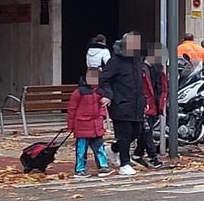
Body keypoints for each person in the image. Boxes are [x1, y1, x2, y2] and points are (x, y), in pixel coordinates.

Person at [103, 32, 147, 175]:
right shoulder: (116, 61)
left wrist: (144, 100)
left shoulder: (137, 61)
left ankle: (113, 149)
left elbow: (139, 83)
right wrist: (109, 95)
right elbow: (104, 79)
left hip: (136, 103)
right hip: (121, 103)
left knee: (137, 132)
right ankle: (124, 163)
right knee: (124, 135)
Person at [67, 68, 111, 176]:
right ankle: (80, 168)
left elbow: (101, 106)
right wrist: (71, 125)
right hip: (82, 124)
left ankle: (103, 166)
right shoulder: (79, 92)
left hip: (95, 124)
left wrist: (102, 116)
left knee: (99, 147)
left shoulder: (99, 92)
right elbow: (71, 109)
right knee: (81, 149)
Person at [135, 52, 167, 168]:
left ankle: (137, 154)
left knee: (146, 131)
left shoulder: (156, 70)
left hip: (153, 105)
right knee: (147, 131)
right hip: (147, 105)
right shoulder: (142, 70)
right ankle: (152, 156)